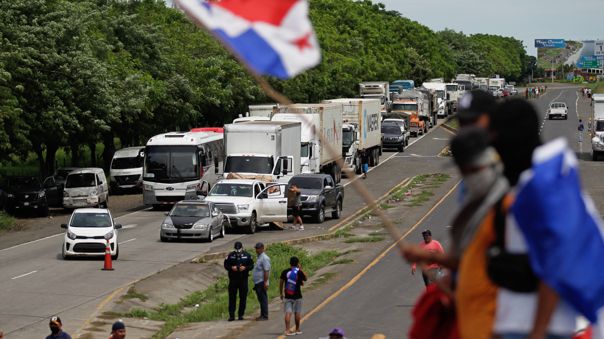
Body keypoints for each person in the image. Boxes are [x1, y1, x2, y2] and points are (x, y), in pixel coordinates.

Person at [404, 127, 510, 339]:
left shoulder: (509, 210)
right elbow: (467, 260)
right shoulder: (472, 207)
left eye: (471, 169)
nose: (466, 176)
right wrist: (425, 257)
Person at [488, 99, 578, 339]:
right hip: (515, 324)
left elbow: (556, 263)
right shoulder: (525, 184)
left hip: (543, 328)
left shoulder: (542, 188)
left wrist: (537, 332)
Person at [224, 241, 254, 321]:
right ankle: (231, 315)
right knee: (232, 298)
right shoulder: (230, 255)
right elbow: (226, 265)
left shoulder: (247, 255)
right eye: (236, 250)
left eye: (239, 250)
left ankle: (241, 315)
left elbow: (251, 265)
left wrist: (245, 268)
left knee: (243, 297)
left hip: (243, 279)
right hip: (233, 279)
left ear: (242, 248)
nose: (238, 251)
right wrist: (231, 268)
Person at [279, 256, 307, 336]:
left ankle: (287, 330)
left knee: (288, 312)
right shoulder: (298, 272)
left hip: (288, 295)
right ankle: (297, 329)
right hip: (297, 295)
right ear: (298, 263)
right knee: (297, 312)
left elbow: (281, 283)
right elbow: (305, 278)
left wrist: (281, 293)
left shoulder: (284, 272)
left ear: (290, 263)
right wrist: (300, 269)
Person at [252, 242, 271, 321]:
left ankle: (265, 315)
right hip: (258, 282)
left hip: (262, 281)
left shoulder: (264, 258)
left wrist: (265, 282)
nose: (257, 250)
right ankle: (262, 314)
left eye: (259, 248)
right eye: (256, 248)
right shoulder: (259, 257)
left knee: (263, 299)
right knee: (260, 299)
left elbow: (266, 271)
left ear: (263, 248)